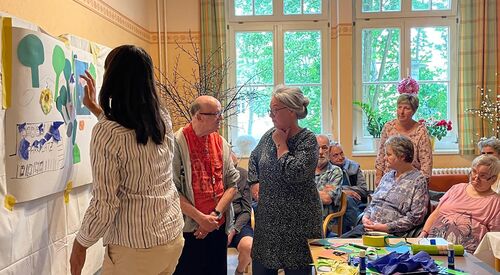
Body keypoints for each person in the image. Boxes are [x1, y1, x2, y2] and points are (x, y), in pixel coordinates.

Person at [70, 45, 184, 275]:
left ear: (113, 79)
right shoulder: (161, 117)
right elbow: (132, 133)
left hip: (136, 249)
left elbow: (105, 203)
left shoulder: (108, 132)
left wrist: (80, 244)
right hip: (171, 237)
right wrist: (96, 109)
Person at [248, 85, 322, 275]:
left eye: (275, 110)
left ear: (291, 110)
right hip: (269, 221)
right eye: (270, 110)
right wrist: (254, 182)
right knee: (262, 268)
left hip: (298, 222)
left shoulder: (308, 140)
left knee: (297, 270)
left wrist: (282, 145)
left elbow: (294, 173)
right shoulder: (268, 136)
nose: (271, 115)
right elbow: (253, 158)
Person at [172, 95, 239, 275]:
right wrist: (201, 220)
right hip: (188, 231)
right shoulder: (176, 143)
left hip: (217, 226)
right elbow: (172, 190)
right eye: (216, 114)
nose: (221, 118)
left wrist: (214, 217)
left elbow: (233, 185)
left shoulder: (221, 143)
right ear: (199, 116)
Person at [342, 135, 429, 238]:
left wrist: (385, 227)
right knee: (335, 246)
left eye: (388, 154)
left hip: (390, 235)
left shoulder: (418, 180)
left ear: (402, 156)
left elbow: (416, 217)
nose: (384, 158)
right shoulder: (387, 176)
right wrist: (365, 218)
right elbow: (373, 204)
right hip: (367, 229)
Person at [419, 155, 500, 253]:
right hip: (434, 247)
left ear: (493, 179)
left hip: (467, 253)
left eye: (483, 175)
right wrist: (423, 233)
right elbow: (436, 213)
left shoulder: (495, 202)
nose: (476, 178)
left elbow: (494, 237)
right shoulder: (456, 188)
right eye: (474, 171)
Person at [375, 93, 432, 185]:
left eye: (406, 108)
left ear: (414, 111)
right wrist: (378, 177)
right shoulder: (388, 127)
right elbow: (381, 154)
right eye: (399, 107)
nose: (401, 112)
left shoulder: (421, 131)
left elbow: (426, 162)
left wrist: (421, 184)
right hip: (389, 179)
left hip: (412, 180)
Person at [329, 142, 367, 232]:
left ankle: (349, 233)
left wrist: (343, 190)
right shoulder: (327, 170)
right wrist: (343, 192)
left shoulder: (354, 167)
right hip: (335, 204)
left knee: (348, 199)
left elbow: (364, 190)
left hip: (357, 203)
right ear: (329, 158)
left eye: (341, 153)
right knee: (346, 198)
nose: (340, 157)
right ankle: (352, 232)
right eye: (336, 155)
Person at [228, 153, 253, 275]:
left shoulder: (243, 175)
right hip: (218, 222)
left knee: (248, 246)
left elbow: (246, 210)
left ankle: (239, 271)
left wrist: (233, 230)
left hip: (239, 222)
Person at [315, 135, 343, 235]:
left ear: (329, 150)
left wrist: (304, 193)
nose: (320, 152)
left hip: (322, 222)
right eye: (317, 148)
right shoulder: (306, 171)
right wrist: (320, 193)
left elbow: (327, 199)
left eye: (324, 148)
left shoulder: (335, 171)